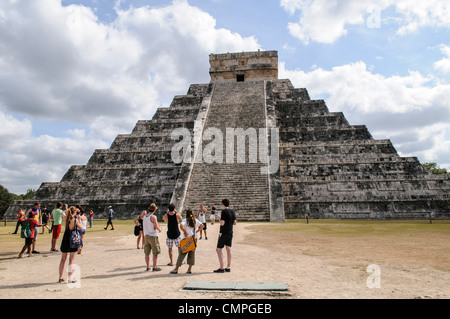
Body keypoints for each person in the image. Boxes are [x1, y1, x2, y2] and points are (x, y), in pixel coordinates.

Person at [170, 209, 204, 274]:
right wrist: (196, 231)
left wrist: (184, 231)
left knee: (182, 254)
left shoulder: (185, 220)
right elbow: (202, 226)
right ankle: (189, 269)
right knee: (192, 254)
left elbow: (181, 226)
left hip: (186, 238)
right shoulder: (195, 220)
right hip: (194, 238)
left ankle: (176, 269)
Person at [59, 206, 83, 283]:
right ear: (74, 212)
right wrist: (79, 219)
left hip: (65, 239)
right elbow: (81, 228)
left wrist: (68, 209)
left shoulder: (66, 219)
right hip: (73, 240)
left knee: (63, 259)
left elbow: (63, 212)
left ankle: (60, 277)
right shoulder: (75, 220)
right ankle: (70, 278)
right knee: (71, 259)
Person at [214, 198, 236, 273]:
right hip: (230, 231)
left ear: (223, 204)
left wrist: (220, 218)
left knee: (219, 249)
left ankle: (221, 267)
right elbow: (235, 222)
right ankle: (228, 266)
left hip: (223, 232)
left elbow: (222, 223)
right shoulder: (232, 211)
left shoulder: (223, 211)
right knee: (228, 248)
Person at [143, 203, 162, 272]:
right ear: (154, 210)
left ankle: (148, 266)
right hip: (153, 236)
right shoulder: (153, 217)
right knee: (155, 252)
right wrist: (160, 230)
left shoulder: (144, 216)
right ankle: (154, 267)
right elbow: (156, 226)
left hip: (146, 236)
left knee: (147, 253)